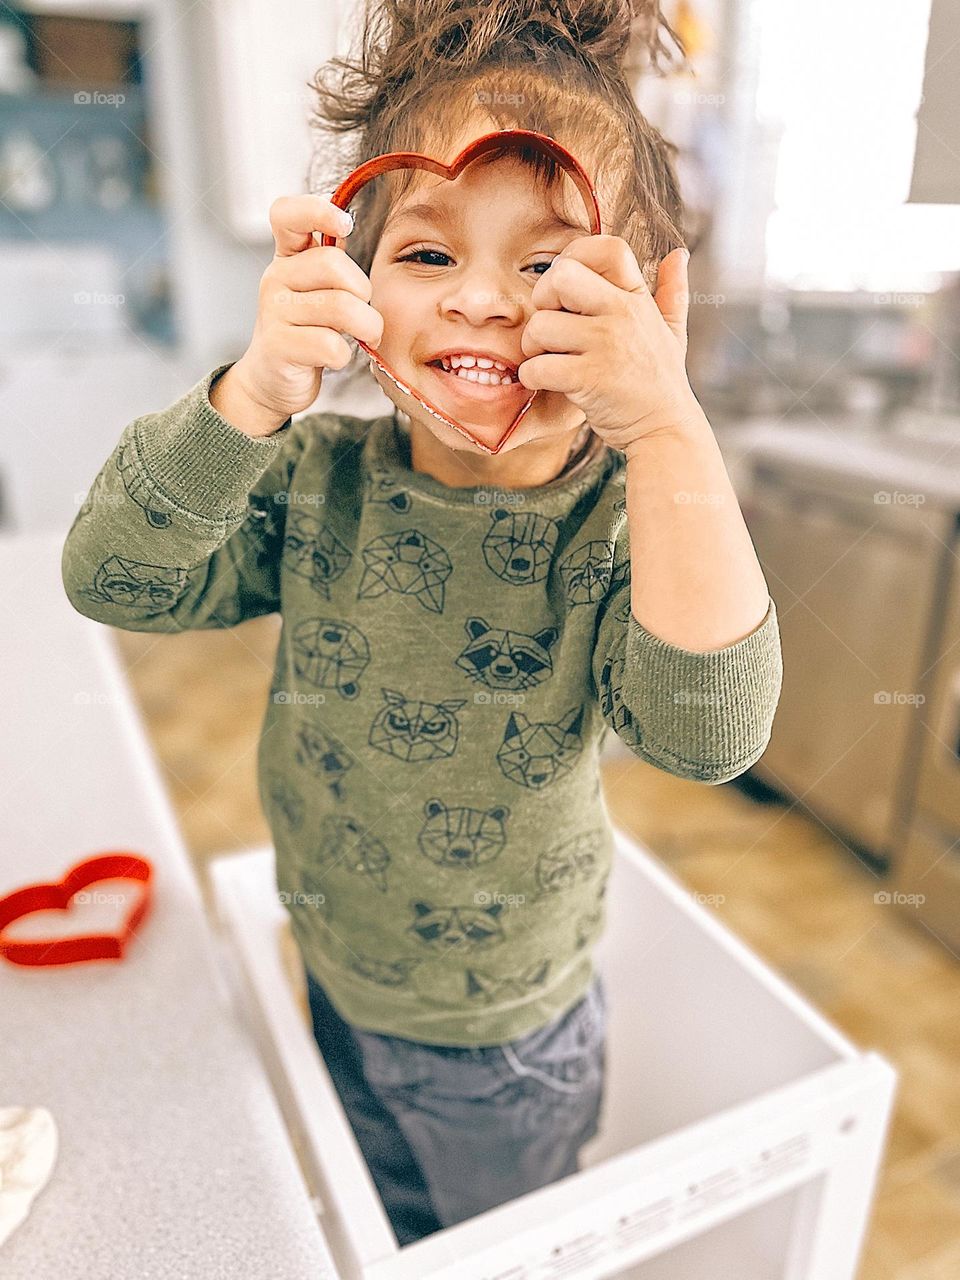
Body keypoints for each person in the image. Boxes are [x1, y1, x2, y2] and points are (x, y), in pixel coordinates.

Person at [62, 0, 783, 1247]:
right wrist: (247, 397)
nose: (485, 304)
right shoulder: (310, 478)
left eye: (551, 265)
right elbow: (112, 578)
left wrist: (666, 429)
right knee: (366, 1227)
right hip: (333, 965)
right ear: (348, 274)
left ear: (653, 303)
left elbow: (705, 732)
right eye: (430, 256)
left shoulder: (626, 521)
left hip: (505, 1042)